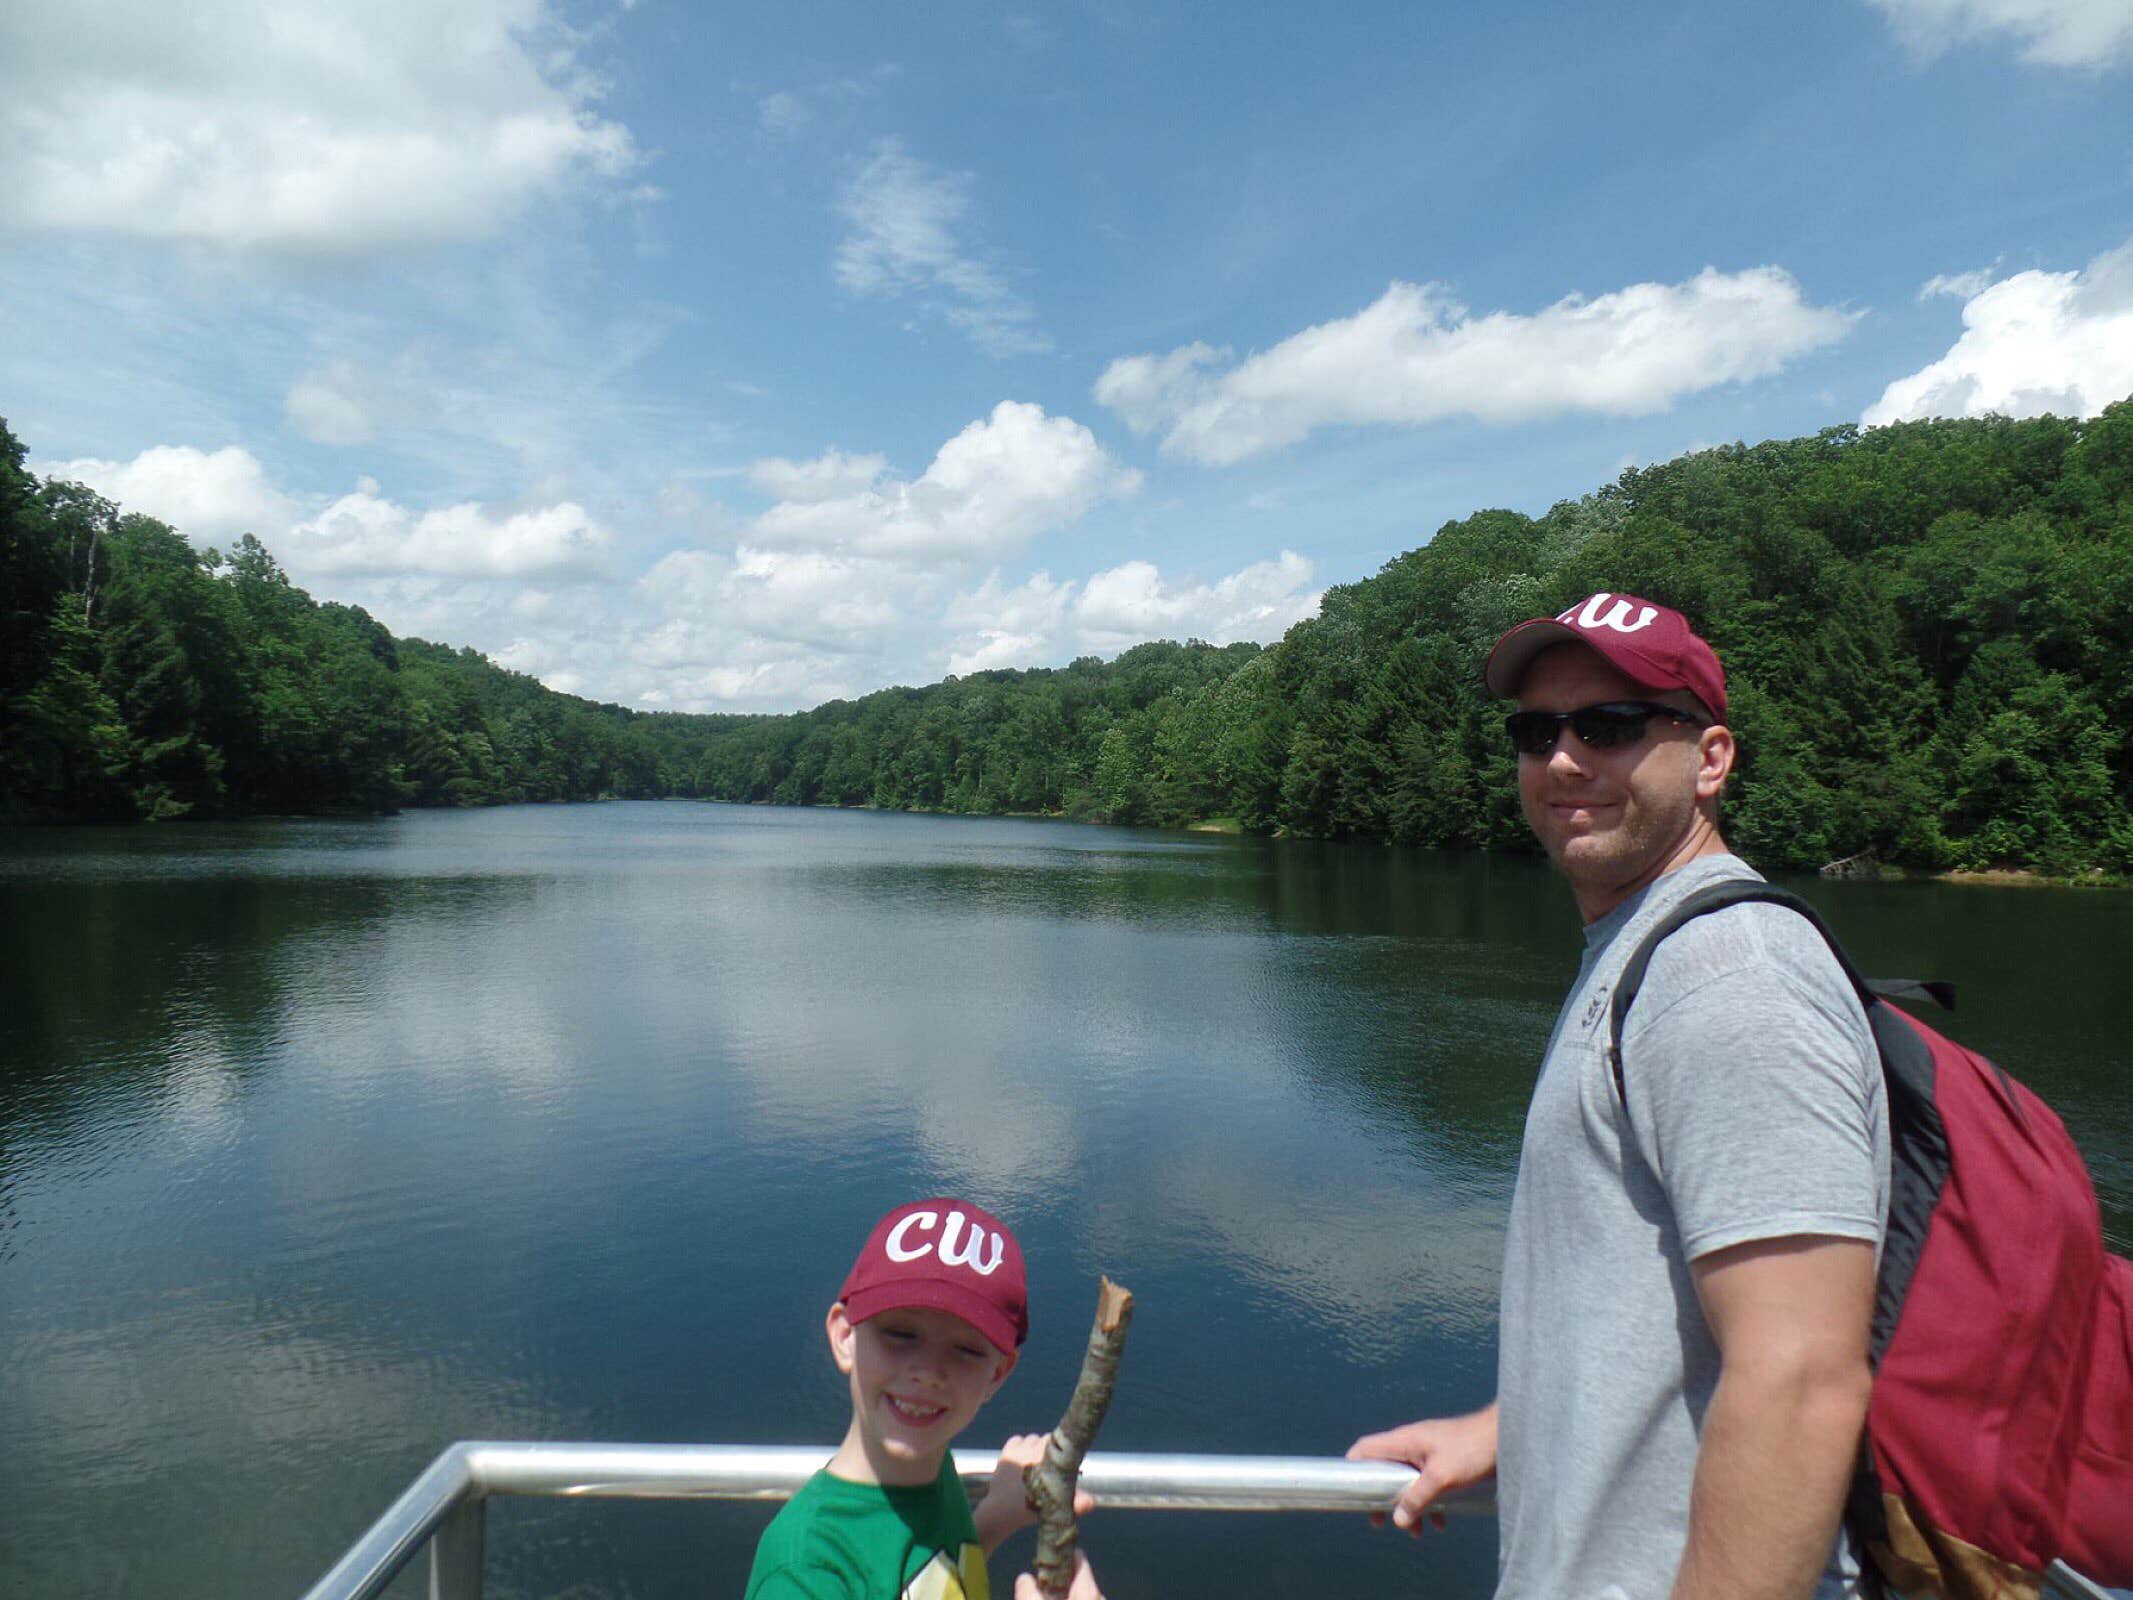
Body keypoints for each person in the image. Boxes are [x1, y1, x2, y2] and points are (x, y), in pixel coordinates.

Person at [1350, 592, 1891, 1600]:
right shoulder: (1649, 948)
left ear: (1711, 758)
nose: (1563, 760)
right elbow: (1656, 1313)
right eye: (1537, 732)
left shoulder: (1731, 980)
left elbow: (1801, 1381)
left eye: (1609, 726)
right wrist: (1514, 1427)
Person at [745, 1196, 1074, 1600]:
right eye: (900, 1334)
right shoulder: (806, 1572)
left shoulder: (934, 1471)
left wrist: (995, 1517)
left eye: (967, 1350)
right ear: (846, 1337)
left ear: (998, 1374)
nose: (928, 1373)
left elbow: (930, 1580)